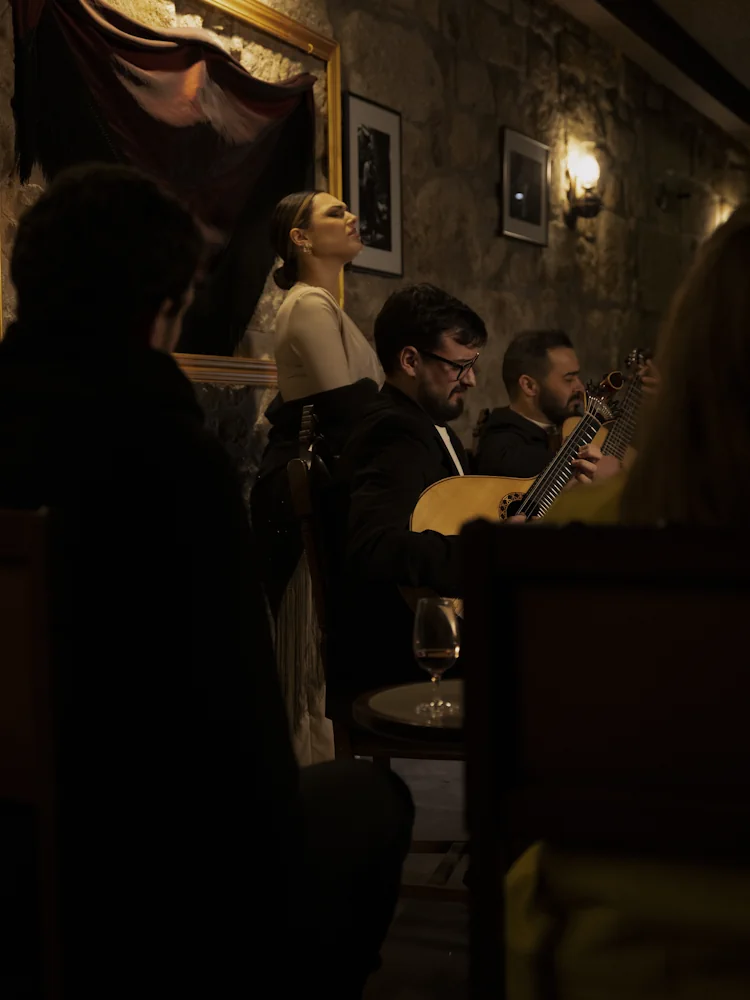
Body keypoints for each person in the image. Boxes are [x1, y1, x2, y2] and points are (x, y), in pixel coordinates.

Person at [0, 164, 413, 999]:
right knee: (373, 797)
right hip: (149, 882)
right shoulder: (169, 464)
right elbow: (243, 742)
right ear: (164, 309)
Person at [328, 287, 603, 702]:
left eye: (472, 365)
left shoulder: (429, 428)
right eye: (460, 366)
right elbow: (375, 548)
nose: (471, 380)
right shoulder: (393, 433)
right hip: (409, 663)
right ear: (410, 361)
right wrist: (489, 550)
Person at [251, 189, 383, 764]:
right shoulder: (307, 304)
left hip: (322, 477)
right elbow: (345, 408)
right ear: (300, 238)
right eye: (335, 213)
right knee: (307, 655)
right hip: (305, 487)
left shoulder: (326, 305)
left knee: (319, 658)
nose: (351, 217)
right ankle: (308, 779)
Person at [475, 329, 588, 477]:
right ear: (529, 386)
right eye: (569, 379)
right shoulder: (502, 451)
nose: (580, 388)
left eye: (577, 377)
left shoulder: (569, 425)